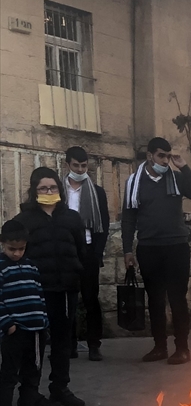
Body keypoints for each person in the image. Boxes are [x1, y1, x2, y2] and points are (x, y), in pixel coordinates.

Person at [122, 137, 191, 364]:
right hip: (149, 247)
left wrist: (184, 166)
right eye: (161, 156)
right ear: (150, 155)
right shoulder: (134, 182)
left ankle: (183, 348)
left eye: (168, 156)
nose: (165, 161)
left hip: (176, 246)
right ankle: (160, 347)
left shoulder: (176, 178)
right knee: (155, 299)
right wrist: (127, 250)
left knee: (177, 298)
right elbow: (128, 218)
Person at [14, 168, 86, 406]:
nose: (48, 192)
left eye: (53, 187)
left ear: (59, 190)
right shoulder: (24, 221)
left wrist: (79, 275)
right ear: (34, 191)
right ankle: (31, 393)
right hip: (37, 292)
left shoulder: (72, 218)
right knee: (34, 342)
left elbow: (81, 250)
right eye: (43, 188)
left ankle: (60, 388)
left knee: (63, 341)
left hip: (66, 288)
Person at [0, 220, 51, 406]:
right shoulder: (1, 268)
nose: (17, 253)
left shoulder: (31, 266)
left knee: (32, 375)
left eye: (21, 249)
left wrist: (44, 321)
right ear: (2, 244)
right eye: (12, 249)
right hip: (15, 332)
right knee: (9, 377)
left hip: (36, 331)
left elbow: (39, 295)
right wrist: (8, 324)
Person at [63, 146, 109, 362]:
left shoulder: (97, 192)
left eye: (84, 166)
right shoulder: (59, 191)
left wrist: (98, 253)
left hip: (88, 250)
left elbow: (104, 224)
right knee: (67, 299)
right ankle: (69, 344)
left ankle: (94, 345)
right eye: (76, 165)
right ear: (67, 165)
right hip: (65, 251)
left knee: (91, 299)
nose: (80, 170)